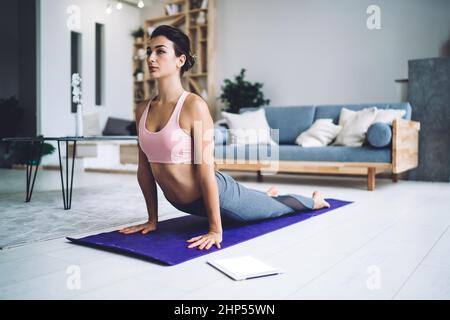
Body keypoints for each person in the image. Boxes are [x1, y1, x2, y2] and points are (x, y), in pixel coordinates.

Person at [119, 25, 330, 250]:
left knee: (274, 209)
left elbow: (206, 171)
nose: (151, 57)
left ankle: (313, 201)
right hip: (182, 203)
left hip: (222, 197)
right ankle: (259, 197)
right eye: (149, 51)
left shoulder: (194, 106)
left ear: (180, 60)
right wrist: (153, 220)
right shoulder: (142, 109)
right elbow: (144, 170)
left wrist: (215, 230)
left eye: (160, 51)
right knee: (257, 202)